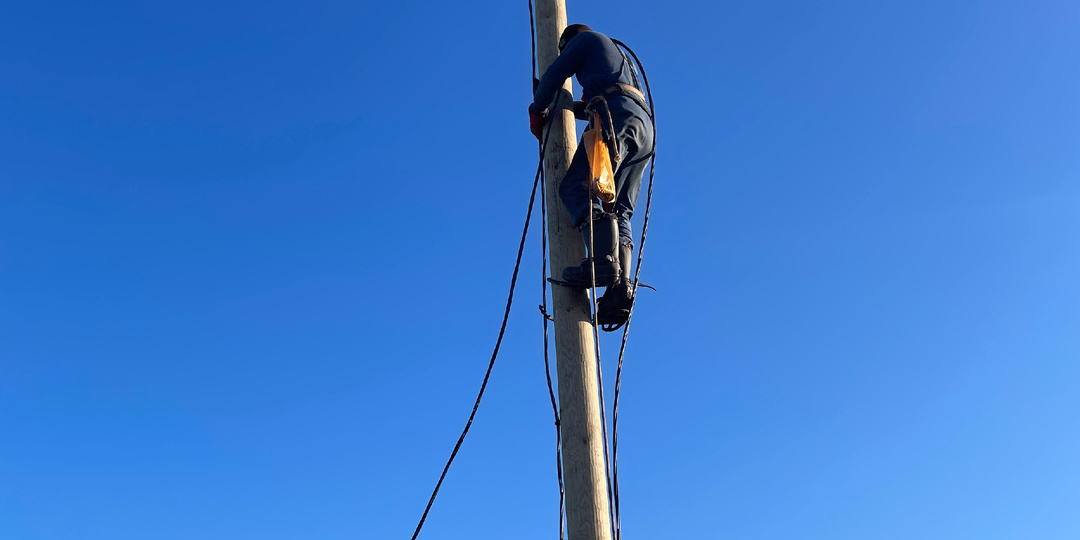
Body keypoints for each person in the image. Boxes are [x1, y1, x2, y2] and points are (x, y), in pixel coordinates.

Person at [529, 24, 653, 292]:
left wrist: (537, 109)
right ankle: (621, 289)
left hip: (616, 115)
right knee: (619, 209)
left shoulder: (584, 41)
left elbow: (555, 74)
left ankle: (603, 262)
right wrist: (568, 108)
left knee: (576, 188)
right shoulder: (617, 59)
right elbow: (597, 100)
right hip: (644, 128)